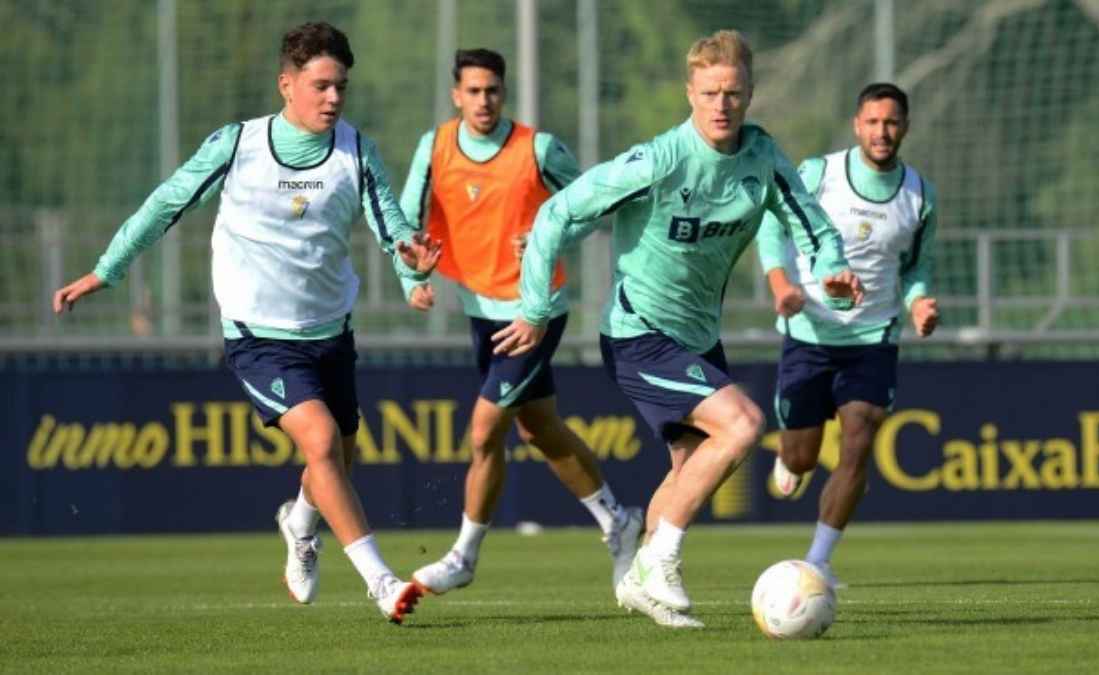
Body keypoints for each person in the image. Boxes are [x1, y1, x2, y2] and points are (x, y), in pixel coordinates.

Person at [51, 22, 440, 624]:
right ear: (287, 85)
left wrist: (413, 270)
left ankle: (301, 524)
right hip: (259, 337)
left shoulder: (356, 150)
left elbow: (393, 229)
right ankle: (382, 582)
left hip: (330, 333)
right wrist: (108, 270)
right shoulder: (238, 145)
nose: (333, 98)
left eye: (341, 87)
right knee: (319, 441)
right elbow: (165, 203)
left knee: (338, 452)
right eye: (320, 86)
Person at [493, 30, 863, 628]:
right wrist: (535, 307)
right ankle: (658, 561)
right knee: (743, 424)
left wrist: (833, 268)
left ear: (750, 94)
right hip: (638, 331)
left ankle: (643, 579)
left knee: (689, 472)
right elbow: (557, 213)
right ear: (690, 93)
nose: (722, 105)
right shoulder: (661, 158)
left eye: (734, 93)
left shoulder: (762, 159)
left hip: (695, 337)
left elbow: (812, 225)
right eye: (711, 92)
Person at [397, 48, 643, 598]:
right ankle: (618, 522)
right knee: (539, 428)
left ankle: (463, 555)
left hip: (536, 310)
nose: (484, 100)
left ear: (503, 93)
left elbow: (592, 205)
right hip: (480, 310)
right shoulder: (434, 148)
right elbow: (405, 220)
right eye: (474, 91)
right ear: (456, 95)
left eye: (493, 90)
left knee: (484, 431)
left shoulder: (537, 148)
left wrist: (549, 236)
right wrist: (410, 277)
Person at [758, 82, 939, 588]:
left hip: (873, 339)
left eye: (892, 122)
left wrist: (919, 302)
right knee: (801, 457)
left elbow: (918, 266)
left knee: (859, 441)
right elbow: (773, 225)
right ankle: (791, 460)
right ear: (857, 125)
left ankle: (817, 562)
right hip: (809, 332)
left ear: (905, 126)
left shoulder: (919, 194)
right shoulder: (819, 174)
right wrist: (782, 283)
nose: (883, 132)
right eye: (873, 122)